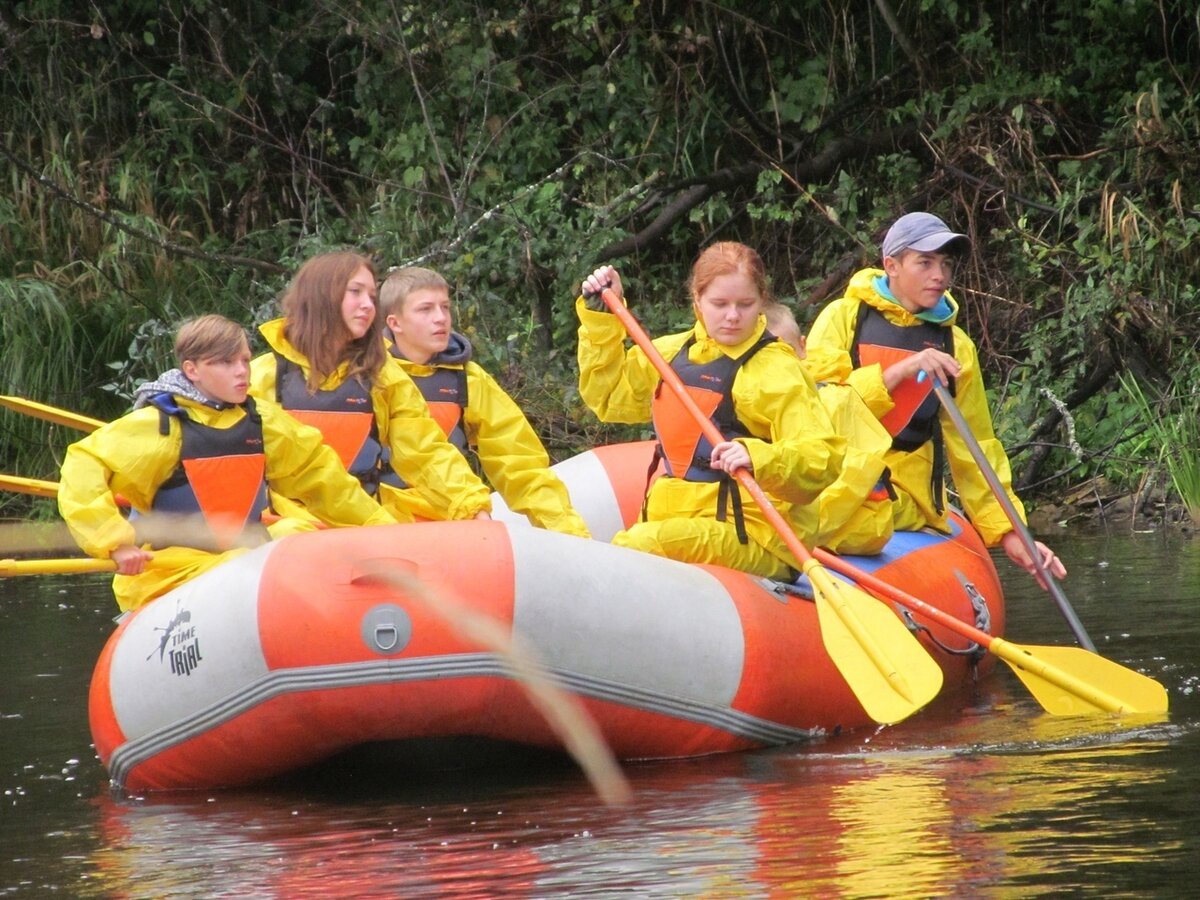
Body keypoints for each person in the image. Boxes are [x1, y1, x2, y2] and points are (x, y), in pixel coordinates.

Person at [58, 314, 398, 611]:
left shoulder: (263, 420)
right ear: (192, 370)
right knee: (246, 563)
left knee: (297, 534)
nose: (241, 373)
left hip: (242, 557)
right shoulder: (160, 425)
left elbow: (324, 480)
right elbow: (83, 465)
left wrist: (385, 533)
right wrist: (116, 544)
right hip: (173, 569)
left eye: (245, 361)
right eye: (225, 363)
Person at [804, 211, 1066, 584]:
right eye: (924, 262)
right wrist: (898, 373)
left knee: (848, 521)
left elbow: (974, 447)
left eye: (945, 264)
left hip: (904, 498)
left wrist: (1011, 532)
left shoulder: (955, 346)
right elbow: (819, 409)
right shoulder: (844, 319)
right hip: (838, 477)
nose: (939, 276)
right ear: (890, 265)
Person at [575, 242, 844, 579]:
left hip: (757, 535)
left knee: (643, 543)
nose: (732, 316)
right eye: (720, 304)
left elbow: (822, 459)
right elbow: (609, 398)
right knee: (649, 539)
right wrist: (601, 318)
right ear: (697, 300)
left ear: (761, 302)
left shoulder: (777, 371)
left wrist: (756, 457)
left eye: (745, 305)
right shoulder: (668, 354)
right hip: (677, 518)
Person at [248, 251, 493, 525]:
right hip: (288, 527)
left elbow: (425, 450)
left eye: (372, 297)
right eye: (356, 292)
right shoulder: (262, 376)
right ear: (321, 296)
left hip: (366, 521)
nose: (368, 305)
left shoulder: (382, 376)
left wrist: (472, 507)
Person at [378, 266, 591, 538]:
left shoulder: (467, 380)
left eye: (445, 307)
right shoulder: (366, 375)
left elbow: (519, 463)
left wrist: (571, 536)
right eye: (425, 309)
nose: (440, 318)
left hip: (449, 523)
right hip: (379, 523)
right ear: (395, 323)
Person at [764, 302, 895, 555]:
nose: (781, 363)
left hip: (858, 524)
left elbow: (851, 483)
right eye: (769, 354)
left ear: (803, 347)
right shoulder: (763, 396)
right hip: (804, 519)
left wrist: (798, 531)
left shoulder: (835, 399)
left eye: (786, 351)